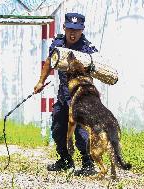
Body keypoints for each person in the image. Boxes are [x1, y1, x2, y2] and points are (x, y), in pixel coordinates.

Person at [34, 13, 98, 176]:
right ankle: (65, 159)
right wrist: (41, 81)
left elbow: (97, 69)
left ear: (82, 30)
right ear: (64, 27)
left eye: (76, 30)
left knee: (81, 132)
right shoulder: (58, 43)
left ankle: (88, 163)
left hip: (81, 97)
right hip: (64, 96)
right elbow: (50, 61)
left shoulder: (87, 48)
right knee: (57, 128)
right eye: (70, 29)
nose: (72, 33)